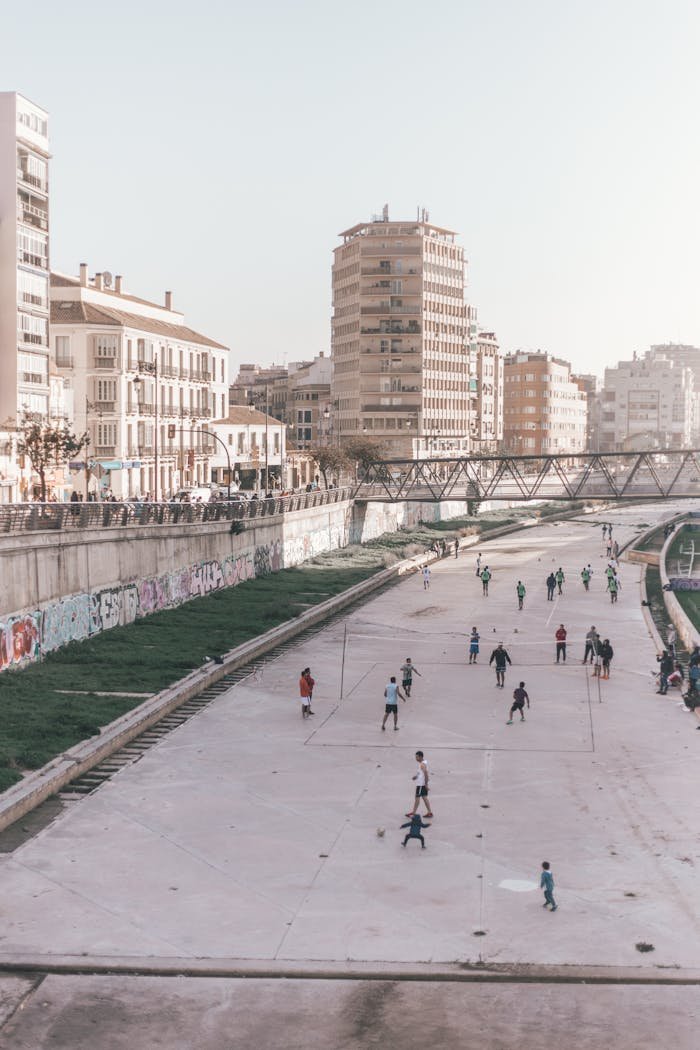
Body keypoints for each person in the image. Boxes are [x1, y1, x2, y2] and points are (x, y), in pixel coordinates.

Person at [406, 750, 433, 818]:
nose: (416, 758)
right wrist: (416, 776)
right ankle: (429, 812)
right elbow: (421, 773)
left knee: (417, 798)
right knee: (424, 798)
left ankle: (413, 813)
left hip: (421, 785)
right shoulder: (424, 762)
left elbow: (426, 774)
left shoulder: (422, 764)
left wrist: (426, 785)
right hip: (422, 784)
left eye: (417, 757)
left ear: (421, 757)